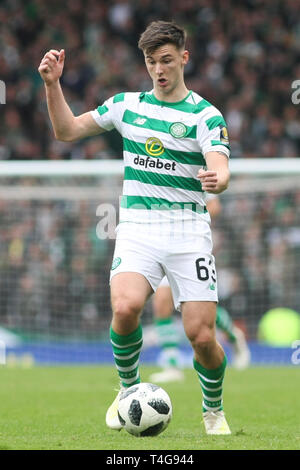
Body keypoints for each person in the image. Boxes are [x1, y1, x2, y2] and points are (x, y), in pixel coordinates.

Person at [38, 20, 231, 435]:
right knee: (125, 308)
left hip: (187, 230)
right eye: (150, 61)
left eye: (166, 60)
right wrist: (53, 84)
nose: (159, 69)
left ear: (184, 57)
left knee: (201, 336)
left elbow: (220, 162)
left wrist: (219, 178)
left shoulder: (205, 114)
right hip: (138, 227)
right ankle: (127, 391)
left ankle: (213, 409)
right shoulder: (126, 106)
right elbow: (66, 130)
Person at [149, 195, 251, 384]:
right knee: (161, 301)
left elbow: (214, 206)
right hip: (159, 244)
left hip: (189, 245)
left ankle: (233, 335)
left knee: (197, 306)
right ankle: (172, 365)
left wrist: (184, 221)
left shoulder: (197, 168)